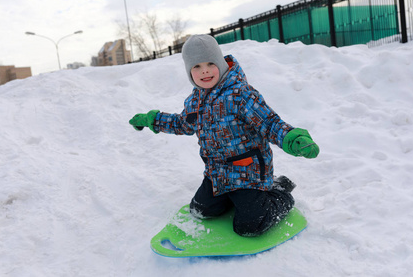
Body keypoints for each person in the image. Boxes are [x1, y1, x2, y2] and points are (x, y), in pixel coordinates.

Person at [129, 34, 319, 237]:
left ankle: (279, 191)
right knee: (200, 211)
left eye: (210, 63)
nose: (204, 71)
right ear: (189, 72)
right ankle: (234, 198)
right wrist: (152, 120)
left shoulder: (240, 95)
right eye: (197, 66)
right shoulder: (195, 101)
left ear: (220, 63)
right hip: (218, 175)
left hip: (249, 173)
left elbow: (270, 123)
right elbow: (182, 124)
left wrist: (292, 139)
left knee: (250, 226)